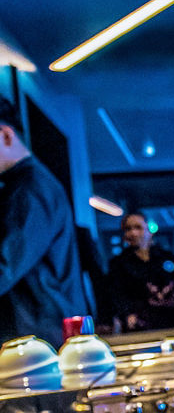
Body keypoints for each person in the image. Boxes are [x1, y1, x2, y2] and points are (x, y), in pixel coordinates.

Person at [0, 97, 89, 346]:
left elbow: (5, 265)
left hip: (36, 336)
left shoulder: (30, 189)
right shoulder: (32, 185)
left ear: (6, 135)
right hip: (40, 330)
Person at [104, 212, 174, 333]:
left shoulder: (166, 257)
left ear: (149, 231)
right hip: (141, 326)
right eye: (128, 229)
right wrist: (127, 314)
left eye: (138, 227)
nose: (133, 233)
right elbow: (116, 295)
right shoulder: (119, 264)